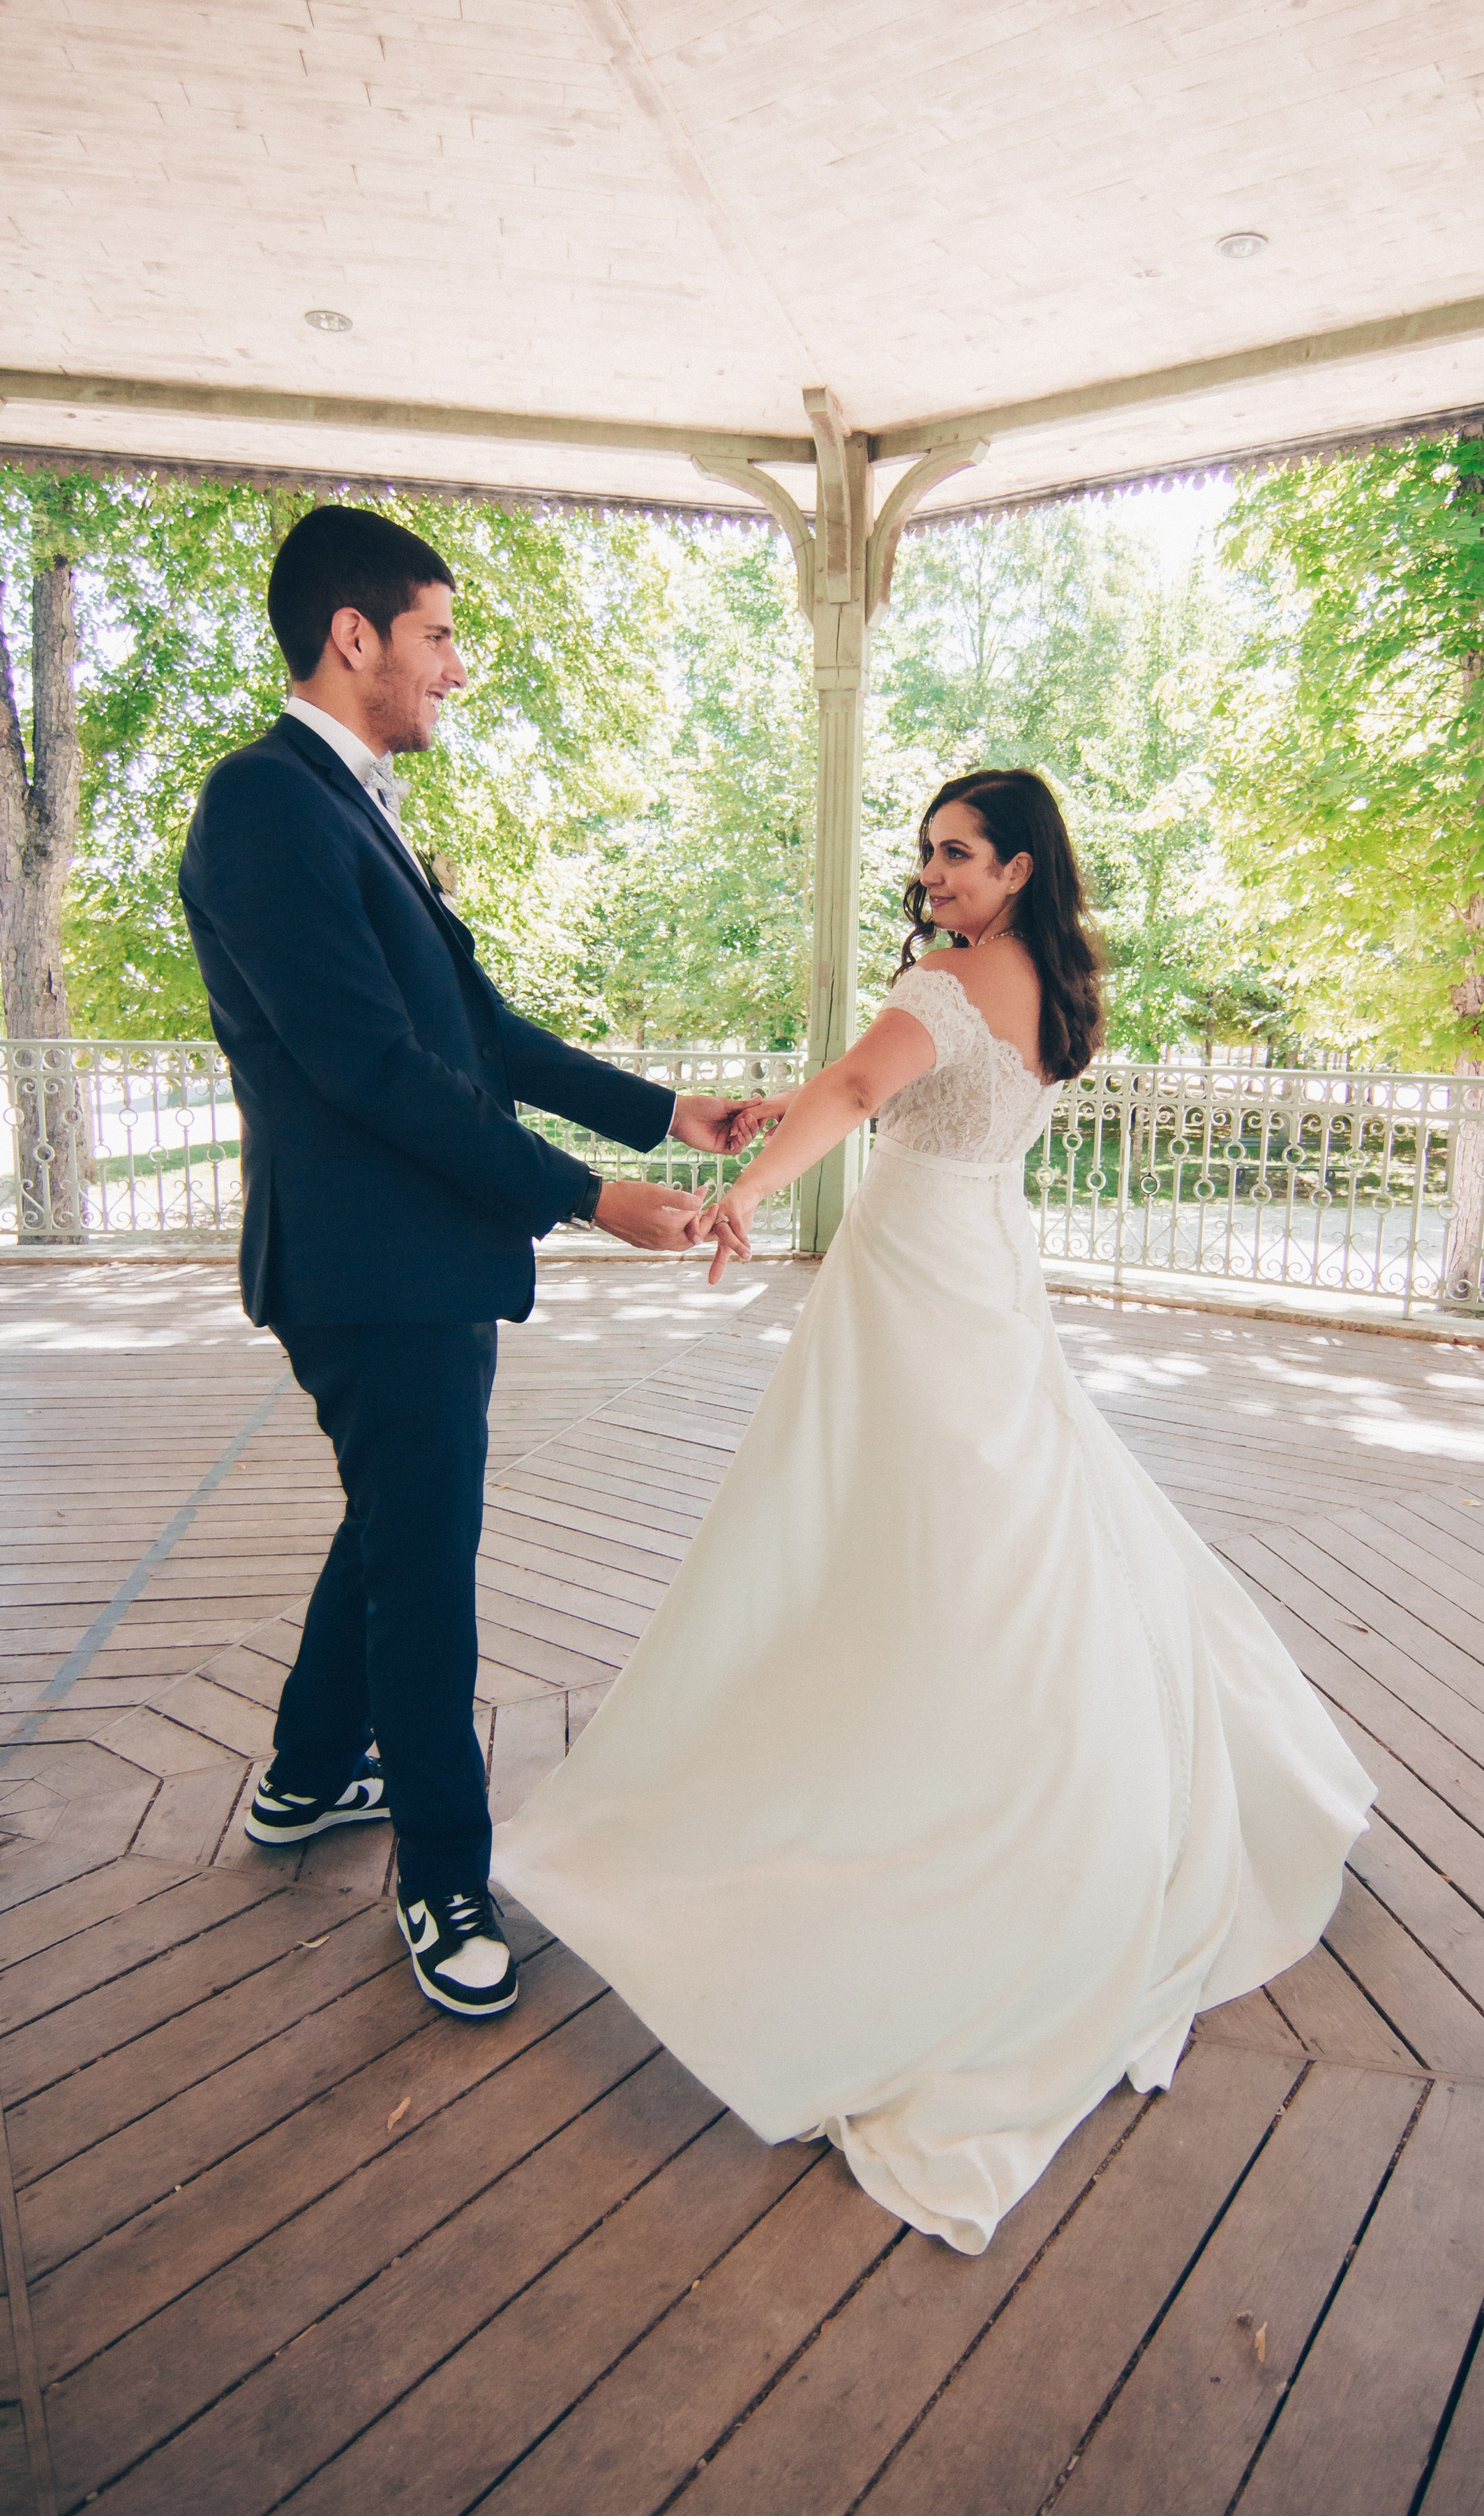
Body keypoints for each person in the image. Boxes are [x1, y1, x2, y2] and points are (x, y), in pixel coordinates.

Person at [495, 770, 1375, 2254]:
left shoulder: (946, 977)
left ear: (1020, 867)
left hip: (917, 1284)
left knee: (904, 1521)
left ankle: (912, 1768)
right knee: (999, 1519)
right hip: (978, 1263)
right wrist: (792, 1116)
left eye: (959, 854)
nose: (935, 874)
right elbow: (887, 1091)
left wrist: (747, 1194)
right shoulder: (1037, 981)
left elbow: (854, 1095)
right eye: (925, 855)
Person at [179, 504, 765, 2025]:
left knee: (392, 1524)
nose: (457, 666)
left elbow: (479, 1034)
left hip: (415, 1262)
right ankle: (442, 1875)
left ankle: (309, 1779)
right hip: (369, 1272)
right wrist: (588, 1195)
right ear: (354, 636)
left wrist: (668, 1115)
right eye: (438, 634)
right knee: (427, 1572)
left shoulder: (348, 801)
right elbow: (374, 1067)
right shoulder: (260, 808)